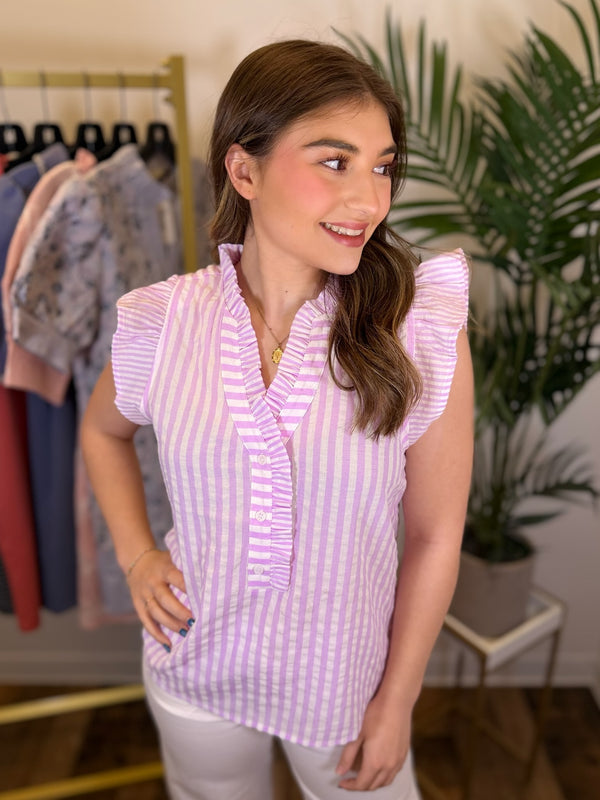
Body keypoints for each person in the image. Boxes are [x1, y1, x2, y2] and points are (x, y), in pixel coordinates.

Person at [81, 38, 473, 800]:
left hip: (346, 690)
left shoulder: (417, 323)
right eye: (336, 161)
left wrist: (397, 701)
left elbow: (434, 535)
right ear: (244, 169)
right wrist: (136, 558)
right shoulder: (163, 322)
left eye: (383, 166)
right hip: (195, 665)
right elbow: (102, 432)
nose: (370, 199)